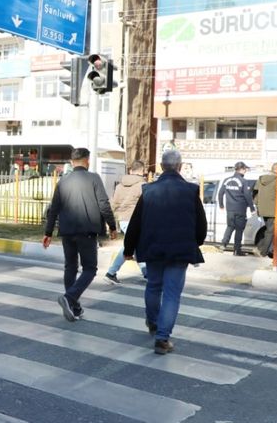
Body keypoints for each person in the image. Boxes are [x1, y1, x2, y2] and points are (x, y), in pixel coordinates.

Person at [124, 150, 206, 355]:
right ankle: (162, 339)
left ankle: (153, 322)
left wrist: (128, 249)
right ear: (179, 166)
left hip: (153, 247)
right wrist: (195, 242)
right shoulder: (190, 190)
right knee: (171, 294)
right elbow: (201, 224)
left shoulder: (149, 190)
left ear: (161, 167)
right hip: (180, 250)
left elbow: (135, 223)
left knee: (153, 286)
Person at [43, 147, 117, 322]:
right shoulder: (94, 178)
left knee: (70, 267)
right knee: (90, 269)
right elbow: (104, 205)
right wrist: (112, 226)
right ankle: (69, 299)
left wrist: (48, 232)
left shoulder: (63, 181)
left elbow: (54, 209)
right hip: (87, 231)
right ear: (88, 161)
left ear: (71, 162)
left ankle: (74, 307)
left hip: (67, 231)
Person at [103, 160, 148, 284]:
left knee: (134, 245)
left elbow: (113, 203)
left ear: (130, 170)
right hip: (136, 220)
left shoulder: (119, 185)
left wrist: (111, 221)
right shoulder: (143, 185)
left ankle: (147, 273)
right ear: (142, 171)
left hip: (122, 219)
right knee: (130, 245)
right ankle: (111, 273)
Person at [218, 161, 255, 256]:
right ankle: (237, 250)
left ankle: (223, 244)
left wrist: (221, 205)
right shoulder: (243, 181)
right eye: (245, 169)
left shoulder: (227, 180)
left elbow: (220, 193)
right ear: (241, 169)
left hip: (230, 209)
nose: (246, 171)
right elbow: (247, 196)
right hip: (240, 209)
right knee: (239, 229)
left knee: (230, 227)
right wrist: (252, 208)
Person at [253, 163, 277, 258]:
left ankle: (259, 248)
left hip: (263, 209)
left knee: (269, 230)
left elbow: (255, 194)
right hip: (273, 210)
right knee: (271, 231)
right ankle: (262, 251)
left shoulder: (261, 179)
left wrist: (258, 205)